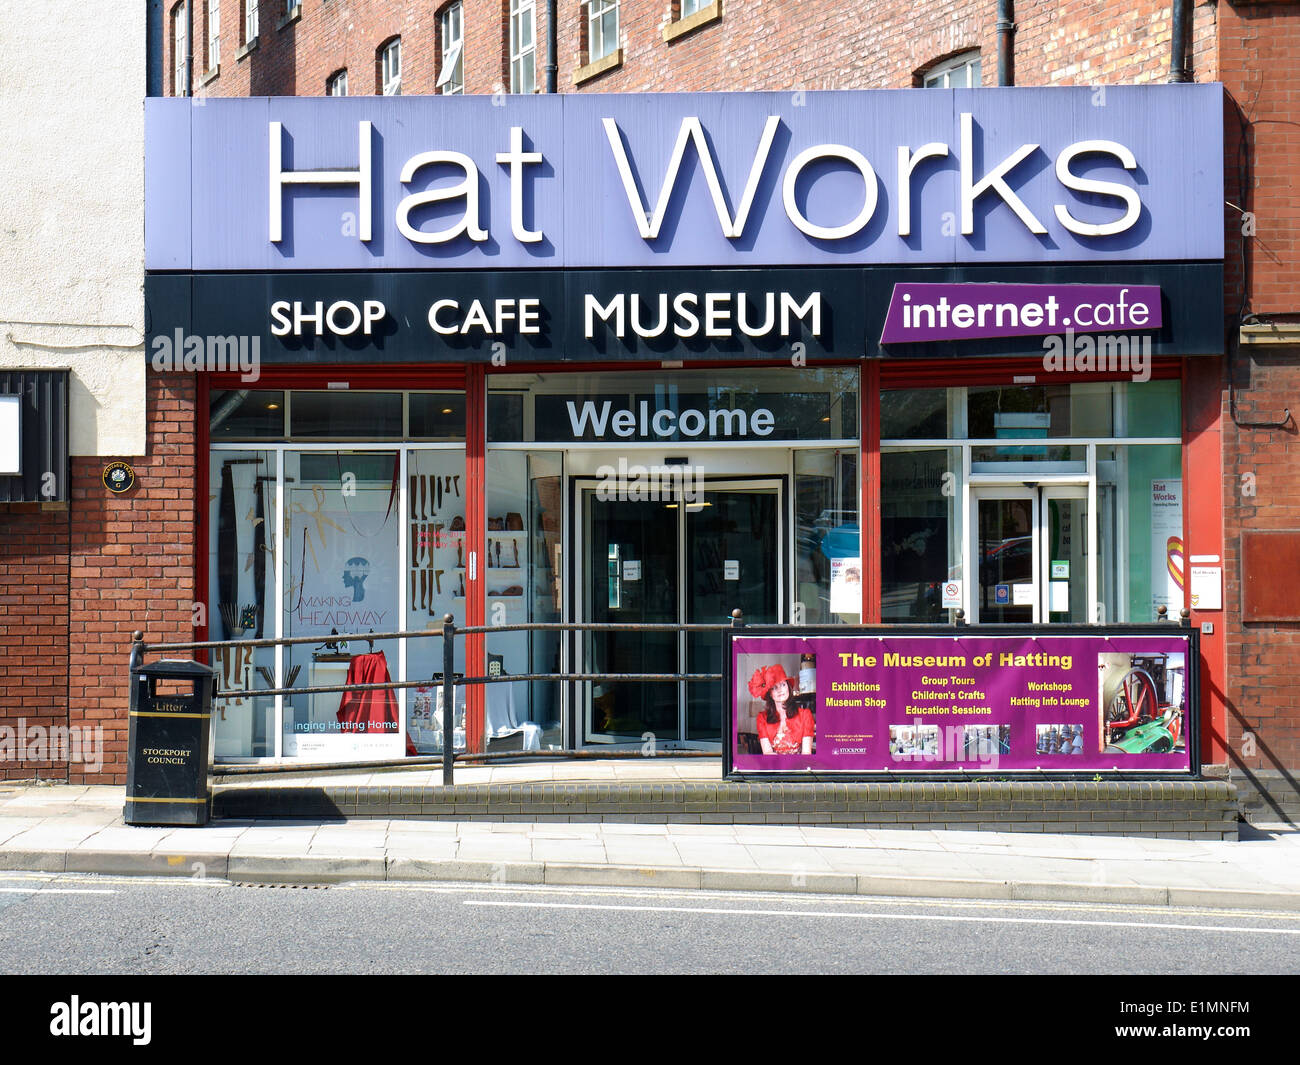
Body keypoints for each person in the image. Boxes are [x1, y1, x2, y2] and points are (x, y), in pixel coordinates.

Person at [749, 663, 814, 755]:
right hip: (775, 767)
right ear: (770, 694)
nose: (780, 690)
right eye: (775, 687)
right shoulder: (762, 718)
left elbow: (806, 753)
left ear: (788, 687)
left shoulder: (805, 715)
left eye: (783, 685)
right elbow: (767, 753)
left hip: (799, 766)